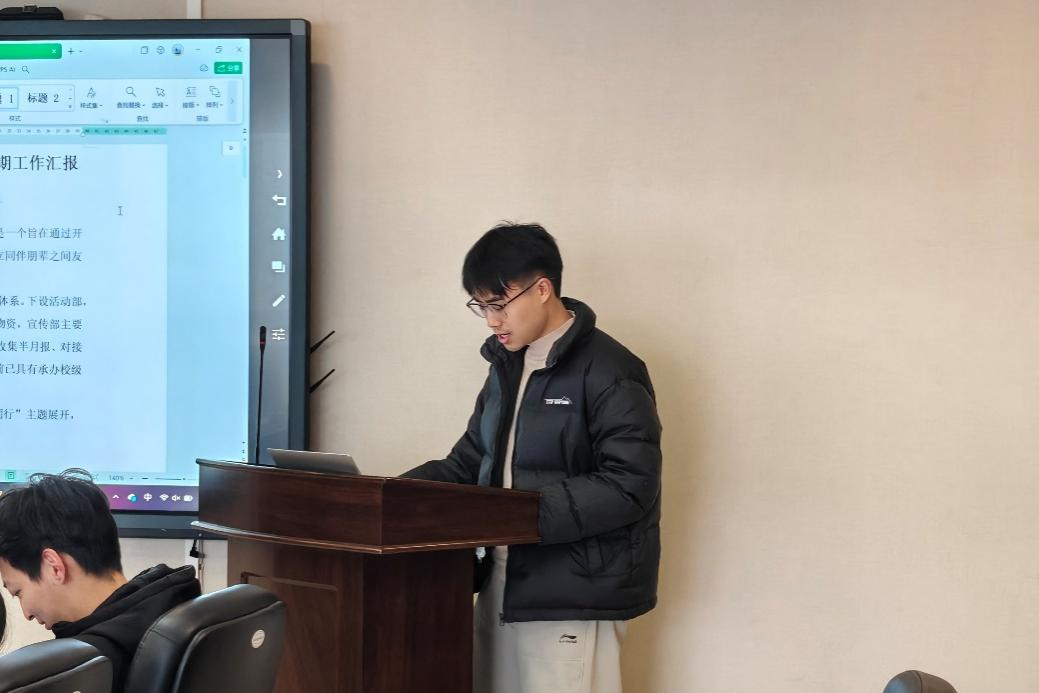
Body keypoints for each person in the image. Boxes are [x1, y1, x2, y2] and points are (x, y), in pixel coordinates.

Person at [403, 223, 662, 693]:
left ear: (542, 289)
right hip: (502, 582)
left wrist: (518, 516)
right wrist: (390, 493)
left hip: (573, 595)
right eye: (481, 306)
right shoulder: (507, 368)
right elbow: (471, 462)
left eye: (498, 304)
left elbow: (630, 485)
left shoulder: (612, 370)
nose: (491, 321)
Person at [0, 469, 200, 692]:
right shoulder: (177, 609)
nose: (26, 614)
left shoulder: (80, 671)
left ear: (54, 566)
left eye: (18, 592)